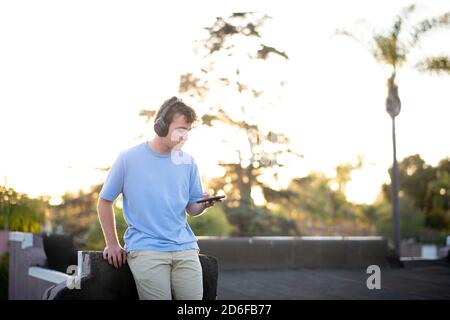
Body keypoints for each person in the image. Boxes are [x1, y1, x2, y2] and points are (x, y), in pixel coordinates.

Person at [97, 96, 222, 300]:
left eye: (188, 132)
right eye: (180, 129)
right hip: (146, 250)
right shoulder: (128, 158)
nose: (185, 137)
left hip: (185, 249)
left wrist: (203, 205)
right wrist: (112, 244)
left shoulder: (188, 162)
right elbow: (104, 202)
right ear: (161, 126)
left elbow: (191, 208)